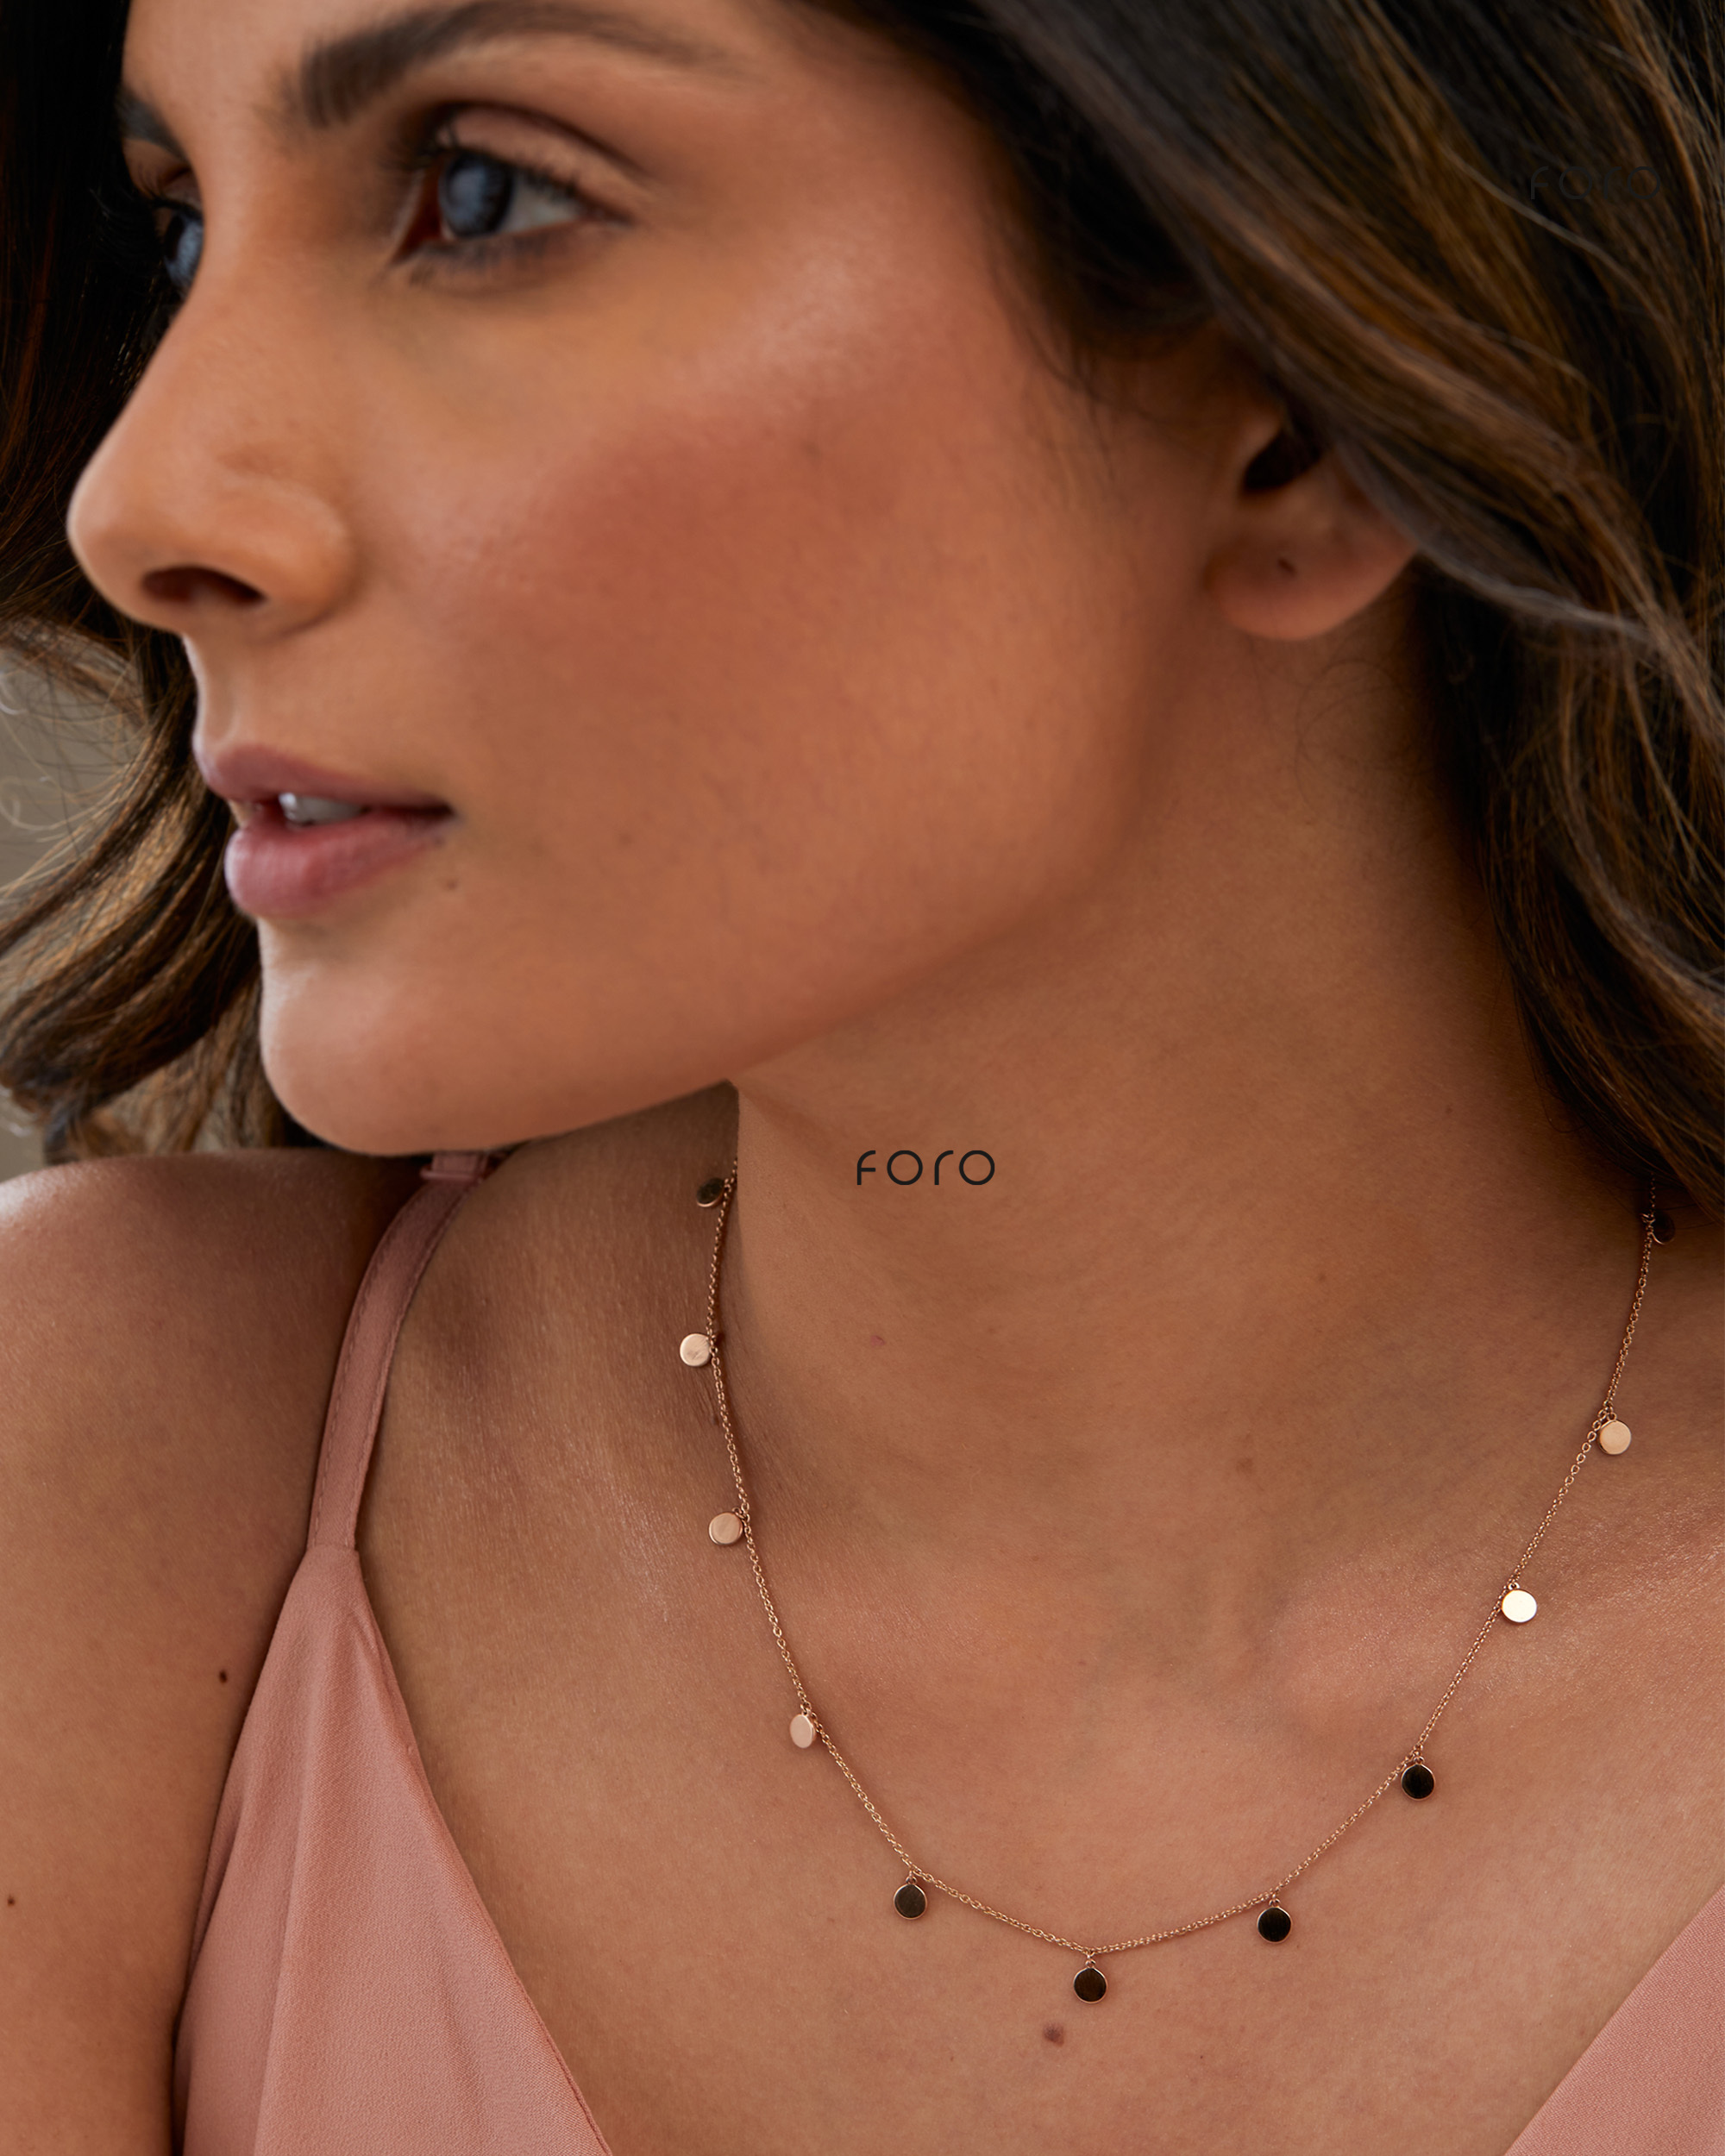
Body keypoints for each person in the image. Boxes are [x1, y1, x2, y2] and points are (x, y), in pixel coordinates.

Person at [0, 0, 1718, 2147]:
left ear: (1296, 394)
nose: (144, 501)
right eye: (179, 234)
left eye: (482, 195)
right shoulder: (105, 1489)